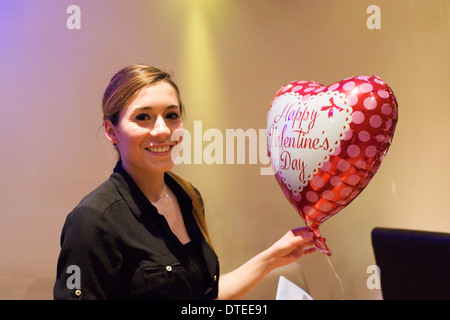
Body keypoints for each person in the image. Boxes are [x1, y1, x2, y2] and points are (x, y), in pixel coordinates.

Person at [53, 64, 316, 300]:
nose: (163, 130)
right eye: (142, 117)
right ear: (112, 131)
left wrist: (271, 259)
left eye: (171, 115)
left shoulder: (186, 196)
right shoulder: (93, 221)